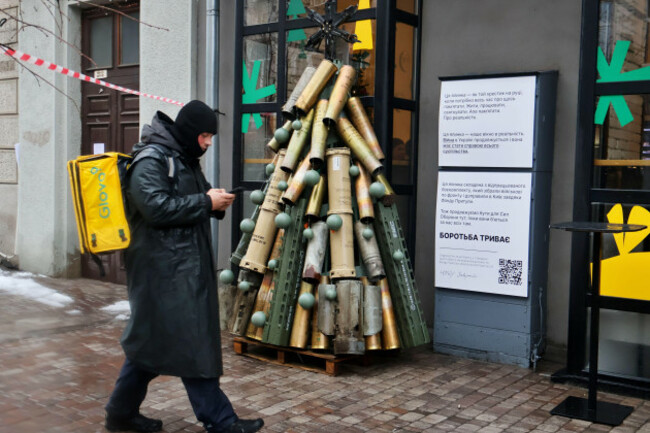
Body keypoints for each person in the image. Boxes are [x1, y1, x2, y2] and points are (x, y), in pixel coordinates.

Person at [104, 100, 264, 433]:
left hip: (179, 269)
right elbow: (156, 208)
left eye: (210, 136)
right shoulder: (151, 160)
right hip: (161, 272)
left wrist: (214, 200)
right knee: (191, 342)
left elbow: (188, 200)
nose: (207, 142)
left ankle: (120, 413)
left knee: (150, 345)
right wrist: (206, 202)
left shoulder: (183, 160)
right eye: (204, 135)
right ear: (190, 132)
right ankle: (221, 421)